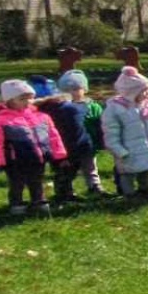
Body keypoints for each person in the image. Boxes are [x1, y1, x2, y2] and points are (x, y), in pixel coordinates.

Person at [0, 78, 65, 216]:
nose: (27, 102)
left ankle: (39, 200)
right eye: (22, 99)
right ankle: (17, 203)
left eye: (30, 98)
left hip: (38, 156)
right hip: (15, 160)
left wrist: (59, 154)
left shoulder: (41, 117)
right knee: (17, 182)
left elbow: (53, 136)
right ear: (9, 101)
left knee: (37, 180)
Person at [104, 67, 148, 198]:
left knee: (144, 169)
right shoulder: (115, 109)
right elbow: (110, 132)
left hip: (144, 147)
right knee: (127, 172)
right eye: (143, 90)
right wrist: (118, 149)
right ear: (131, 92)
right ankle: (128, 193)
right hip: (127, 148)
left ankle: (145, 189)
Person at [44, 71, 100, 202]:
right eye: (67, 90)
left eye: (76, 89)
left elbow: (98, 123)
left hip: (87, 143)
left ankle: (95, 186)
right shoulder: (60, 108)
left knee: (90, 166)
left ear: (84, 89)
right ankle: (65, 193)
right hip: (67, 145)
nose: (71, 93)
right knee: (67, 169)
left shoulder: (91, 106)